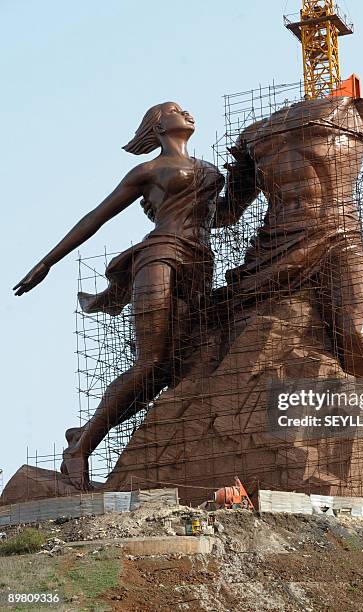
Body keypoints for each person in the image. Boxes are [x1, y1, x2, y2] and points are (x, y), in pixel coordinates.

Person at [13, 102, 225, 490]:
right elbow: (96, 217)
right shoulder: (148, 171)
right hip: (161, 255)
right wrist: (47, 262)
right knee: (149, 361)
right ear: (158, 126)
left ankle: (83, 434)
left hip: (199, 265)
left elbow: (224, 215)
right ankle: (79, 452)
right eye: (176, 110)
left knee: (169, 369)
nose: (188, 113)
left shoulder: (211, 172)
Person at [214, 95, 363, 377]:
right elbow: (227, 213)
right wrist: (170, 203)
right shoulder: (253, 134)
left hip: (337, 237)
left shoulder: (353, 110)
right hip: (272, 248)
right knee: (235, 338)